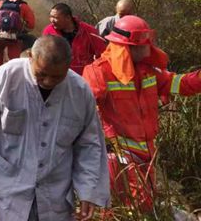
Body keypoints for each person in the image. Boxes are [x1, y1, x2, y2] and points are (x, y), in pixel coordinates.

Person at [0, 35, 110, 221]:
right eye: (42, 74)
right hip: (9, 193)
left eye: (57, 76)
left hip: (55, 198)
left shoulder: (80, 92)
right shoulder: (8, 76)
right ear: (31, 59)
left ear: (69, 66)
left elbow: (89, 144)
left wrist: (87, 191)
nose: (49, 81)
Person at [83, 15, 201, 212]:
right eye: (144, 44)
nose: (149, 48)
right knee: (120, 208)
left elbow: (181, 84)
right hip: (118, 158)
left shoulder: (148, 71)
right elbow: (83, 113)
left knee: (142, 206)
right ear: (129, 47)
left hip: (146, 154)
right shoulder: (99, 72)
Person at [42, 3, 106, 75]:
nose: (52, 20)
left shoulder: (89, 31)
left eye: (56, 18)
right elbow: (43, 55)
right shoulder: (48, 32)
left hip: (85, 77)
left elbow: (102, 55)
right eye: (51, 17)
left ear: (68, 18)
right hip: (58, 77)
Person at [0, 0, 35, 64]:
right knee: (14, 62)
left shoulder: (0, 3)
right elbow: (31, 25)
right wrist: (22, 29)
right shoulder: (24, 6)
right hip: (15, 38)